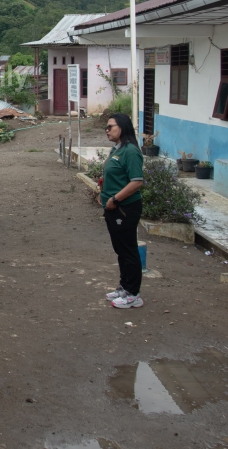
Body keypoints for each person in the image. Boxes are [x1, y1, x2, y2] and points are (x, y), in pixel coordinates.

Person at [100, 112, 146, 310]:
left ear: (123, 128)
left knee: (128, 250)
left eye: (111, 127)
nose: (107, 130)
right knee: (120, 249)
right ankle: (124, 286)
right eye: (106, 127)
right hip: (112, 207)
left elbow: (137, 181)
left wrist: (115, 199)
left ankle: (133, 294)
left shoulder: (130, 151)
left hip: (125, 208)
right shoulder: (117, 149)